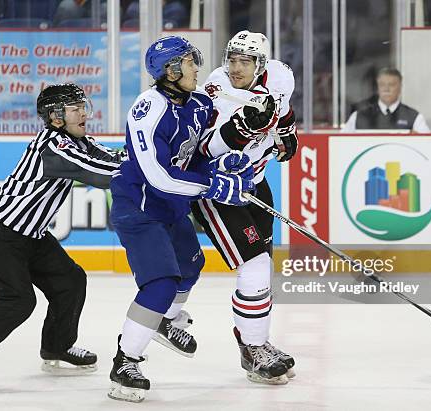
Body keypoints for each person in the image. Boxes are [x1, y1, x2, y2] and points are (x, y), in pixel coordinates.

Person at [0, 83, 125, 390]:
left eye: (82, 106)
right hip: (3, 233)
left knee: (70, 280)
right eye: (75, 108)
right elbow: (103, 175)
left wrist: (145, 154)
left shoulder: (78, 141)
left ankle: (56, 346)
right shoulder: (55, 148)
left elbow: (113, 158)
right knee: (17, 301)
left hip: (32, 235)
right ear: (56, 117)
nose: (84, 113)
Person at [107, 36, 261, 403]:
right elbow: (158, 175)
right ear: (171, 70)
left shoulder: (198, 104)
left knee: (191, 269)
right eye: (190, 63)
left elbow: (198, 151)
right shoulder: (148, 109)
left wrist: (223, 162)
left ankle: (162, 320)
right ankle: (125, 361)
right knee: (160, 285)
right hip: (139, 207)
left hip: (171, 206)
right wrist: (215, 185)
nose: (197, 68)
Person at [192, 30, 298, 385]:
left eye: (245, 61)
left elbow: (283, 117)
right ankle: (253, 349)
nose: (235, 67)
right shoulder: (217, 89)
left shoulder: (281, 76)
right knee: (255, 265)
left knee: (262, 270)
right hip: (219, 189)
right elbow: (206, 150)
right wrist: (239, 129)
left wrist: (287, 139)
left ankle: (257, 342)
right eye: (232, 59)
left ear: (261, 64)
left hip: (255, 183)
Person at [342, 67, 431, 133]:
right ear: (377, 87)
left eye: (391, 85)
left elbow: (428, 144)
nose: (386, 89)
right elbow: (340, 143)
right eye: (382, 84)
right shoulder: (359, 117)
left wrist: (417, 137)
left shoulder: (414, 117)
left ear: (400, 87)